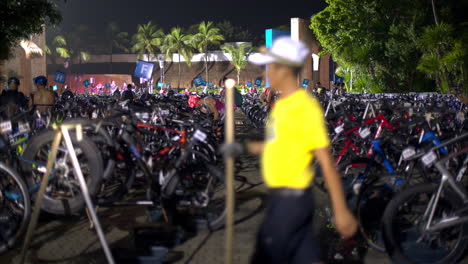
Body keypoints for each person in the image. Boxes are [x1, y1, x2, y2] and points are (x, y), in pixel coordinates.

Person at [221, 37, 358, 264]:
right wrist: (243, 146)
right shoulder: (282, 107)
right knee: (306, 256)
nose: (266, 74)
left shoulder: (303, 108)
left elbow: (325, 161)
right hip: (282, 197)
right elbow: (278, 145)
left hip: (291, 201)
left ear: (284, 70)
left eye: (271, 68)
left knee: (264, 256)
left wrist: (341, 210)